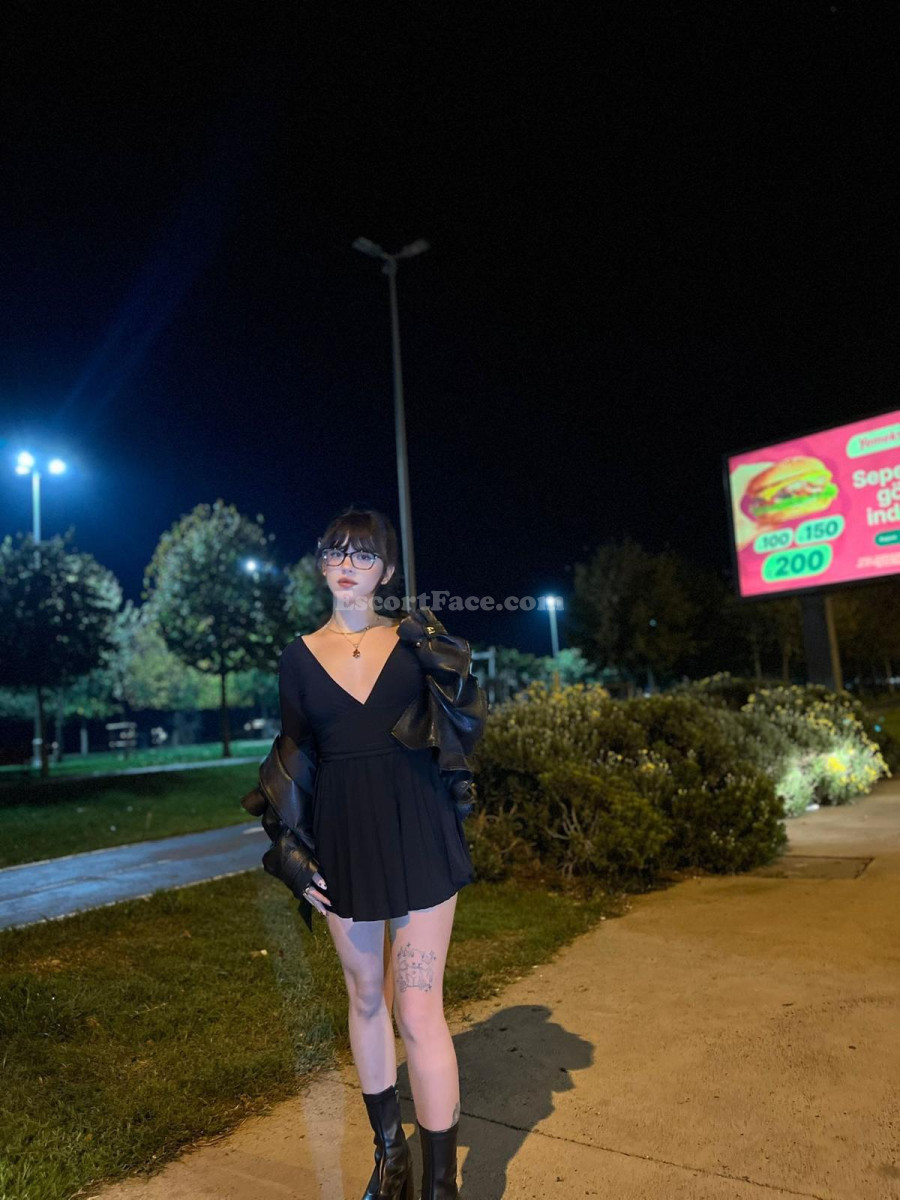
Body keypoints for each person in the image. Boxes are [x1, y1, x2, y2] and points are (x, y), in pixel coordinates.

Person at [261, 505, 485, 1200]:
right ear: (322, 562)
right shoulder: (297, 658)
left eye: (363, 555)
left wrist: (444, 654)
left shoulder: (415, 641)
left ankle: (442, 1184)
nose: (347, 565)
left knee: (417, 1008)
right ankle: (393, 1162)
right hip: (344, 842)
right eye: (336, 552)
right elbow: (294, 757)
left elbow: (464, 725)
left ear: (386, 571)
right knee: (365, 997)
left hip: (419, 834)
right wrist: (290, 849)